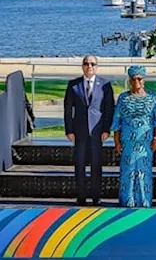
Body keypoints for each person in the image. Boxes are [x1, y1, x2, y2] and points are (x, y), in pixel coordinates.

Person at [63, 55, 114, 205]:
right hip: (79, 132)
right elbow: (67, 110)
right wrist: (69, 130)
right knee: (79, 164)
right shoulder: (74, 85)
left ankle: (96, 196)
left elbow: (109, 109)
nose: (89, 66)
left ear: (97, 66)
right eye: (86, 63)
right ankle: (81, 196)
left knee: (96, 164)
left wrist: (106, 129)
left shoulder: (105, 85)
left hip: (97, 132)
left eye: (92, 64)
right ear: (82, 66)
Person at [110, 65, 156, 208]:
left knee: (144, 172)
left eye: (140, 78)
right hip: (128, 141)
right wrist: (116, 141)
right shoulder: (123, 98)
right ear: (130, 80)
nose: (137, 82)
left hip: (145, 142)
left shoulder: (153, 98)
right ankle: (127, 200)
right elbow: (117, 120)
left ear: (144, 80)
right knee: (128, 171)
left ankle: (144, 201)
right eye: (134, 79)